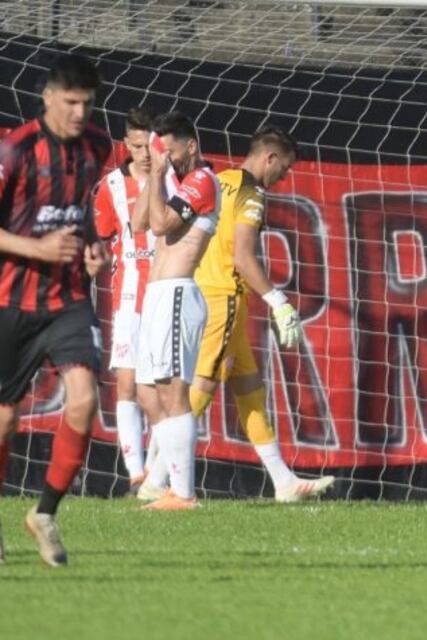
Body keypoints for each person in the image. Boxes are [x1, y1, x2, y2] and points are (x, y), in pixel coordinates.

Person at [168, 126, 333, 502]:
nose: (284, 177)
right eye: (285, 169)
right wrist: (278, 301)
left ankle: (283, 481)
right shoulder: (253, 192)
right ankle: (159, 476)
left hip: (208, 291)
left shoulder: (219, 179)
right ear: (270, 158)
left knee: (248, 389)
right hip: (224, 295)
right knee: (202, 387)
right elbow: (243, 256)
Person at [0, 53, 112, 566]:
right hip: (11, 300)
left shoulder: (97, 146)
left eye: (87, 103)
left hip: (68, 299)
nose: (79, 112)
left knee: (84, 400)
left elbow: (80, 208)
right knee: (4, 421)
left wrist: (93, 245)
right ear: (47, 97)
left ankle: (44, 512)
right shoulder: (13, 149)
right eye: (70, 102)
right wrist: (37, 249)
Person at [130, 111, 219, 511]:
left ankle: (184, 493)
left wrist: (160, 177)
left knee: (174, 391)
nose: (164, 157)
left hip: (178, 293)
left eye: (170, 150)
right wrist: (153, 177)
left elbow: (162, 225)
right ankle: (168, 484)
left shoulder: (203, 180)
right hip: (156, 297)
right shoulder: (169, 180)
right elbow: (138, 222)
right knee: (149, 393)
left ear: (191, 145)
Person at [93, 107, 158, 492]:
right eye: (137, 146)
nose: (144, 154)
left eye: (150, 145)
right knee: (129, 383)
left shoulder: (175, 181)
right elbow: (100, 236)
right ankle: (136, 475)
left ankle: (157, 473)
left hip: (169, 294)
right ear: (126, 145)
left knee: (166, 388)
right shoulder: (110, 187)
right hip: (129, 298)